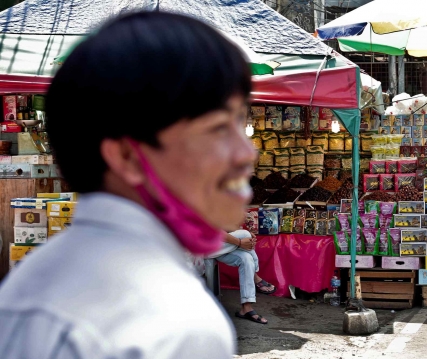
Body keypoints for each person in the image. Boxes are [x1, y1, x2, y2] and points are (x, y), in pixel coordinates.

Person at [0, 12, 255, 358]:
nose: (246, 153)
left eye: (241, 123)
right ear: (127, 157)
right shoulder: (175, 321)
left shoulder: (31, 277)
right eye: (218, 129)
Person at [208, 230, 276, 325]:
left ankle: (246, 309)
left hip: (217, 246)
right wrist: (240, 242)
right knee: (245, 234)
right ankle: (256, 277)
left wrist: (245, 241)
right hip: (199, 247)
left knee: (246, 259)